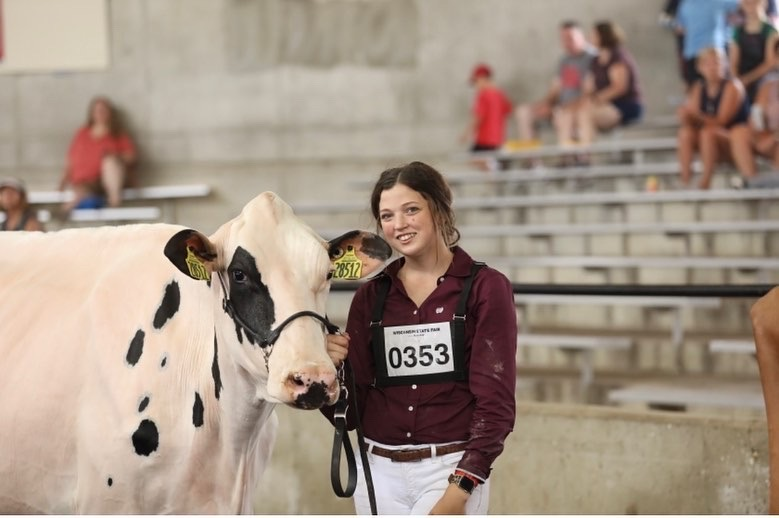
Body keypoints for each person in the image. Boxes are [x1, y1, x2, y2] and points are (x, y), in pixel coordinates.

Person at [322, 161, 517, 515]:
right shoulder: (370, 297)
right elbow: (350, 414)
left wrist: (461, 488)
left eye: (411, 210)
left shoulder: (486, 289)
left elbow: (496, 403)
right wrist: (325, 372)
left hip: (449, 471)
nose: (399, 225)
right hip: (377, 472)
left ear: (439, 209)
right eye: (387, 216)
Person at [676, 47, 752, 189]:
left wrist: (695, 115)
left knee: (708, 133)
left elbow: (722, 121)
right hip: (711, 139)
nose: (712, 67)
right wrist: (685, 115)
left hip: (734, 140)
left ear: (725, 64)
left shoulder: (732, 86)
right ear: (700, 67)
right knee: (685, 133)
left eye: (716, 62)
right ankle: (685, 180)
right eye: (707, 63)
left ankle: (705, 181)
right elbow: (691, 120)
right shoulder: (699, 88)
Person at [514, 20, 596, 148]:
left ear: (581, 36)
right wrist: (546, 104)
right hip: (561, 106)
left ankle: (571, 159)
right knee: (523, 112)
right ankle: (532, 161)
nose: (566, 42)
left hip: (579, 107)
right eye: (563, 38)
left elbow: (590, 93)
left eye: (570, 38)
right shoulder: (564, 60)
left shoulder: (592, 58)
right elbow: (556, 88)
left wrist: (564, 108)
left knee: (563, 116)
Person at [58, 96, 137, 212]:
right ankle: (67, 208)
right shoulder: (82, 133)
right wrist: (61, 184)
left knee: (110, 162)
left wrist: (115, 156)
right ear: (92, 113)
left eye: (104, 110)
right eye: (97, 110)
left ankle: (114, 202)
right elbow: (70, 161)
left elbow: (132, 157)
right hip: (86, 183)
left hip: (107, 182)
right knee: (82, 189)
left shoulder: (117, 134)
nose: (100, 113)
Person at [576, 21, 644, 150]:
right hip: (604, 105)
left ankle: (584, 157)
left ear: (604, 36)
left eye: (593, 34)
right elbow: (590, 86)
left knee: (586, 115)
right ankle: (573, 156)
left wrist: (595, 100)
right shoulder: (595, 60)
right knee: (572, 114)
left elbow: (619, 88)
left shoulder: (618, 56)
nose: (590, 37)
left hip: (625, 105)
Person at [675, 0, 742, 89]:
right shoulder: (718, 2)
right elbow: (743, 4)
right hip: (714, 54)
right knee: (719, 92)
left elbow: (680, 29)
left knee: (695, 92)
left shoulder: (685, 4)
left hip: (692, 54)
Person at [461, 64, 513, 171]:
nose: (475, 85)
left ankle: (492, 165)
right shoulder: (500, 93)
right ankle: (493, 165)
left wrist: (466, 133)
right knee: (476, 160)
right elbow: (508, 110)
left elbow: (478, 117)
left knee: (471, 159)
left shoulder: (483, 94)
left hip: (484, 139)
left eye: (476, 82)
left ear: (483, 78)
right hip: (498, 140)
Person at [729, 0, 779, 103]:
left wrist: (746, 80)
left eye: (754, 2)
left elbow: (770, 63)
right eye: (747, 2)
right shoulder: (737, 31)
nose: (750, 5)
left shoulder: (771, 31)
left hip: (763, 77)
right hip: (743, 76)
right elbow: (733, 63)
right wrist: (737, 80)